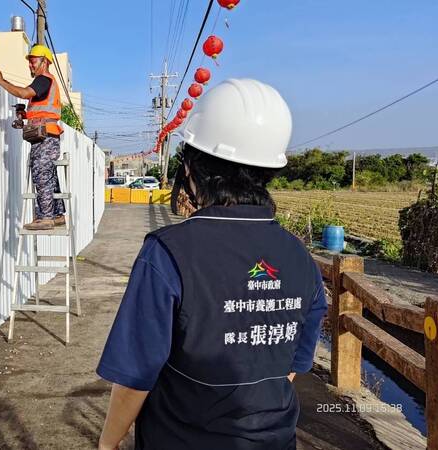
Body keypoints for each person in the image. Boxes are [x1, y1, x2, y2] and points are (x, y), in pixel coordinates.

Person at [96, 78, 328, 449]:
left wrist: (107, 443)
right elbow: (288, 369)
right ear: (268, 171)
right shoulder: (301, 258)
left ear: (191, 168)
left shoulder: (167, 252)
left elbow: (134, 379)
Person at [0, 44, 66, 231]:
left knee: (42, 174)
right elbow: (41, 112)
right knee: (49, 174)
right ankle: (58, 214)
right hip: (46, 135)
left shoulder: (43, 79)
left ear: (44, 62)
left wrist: (1, 81)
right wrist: (24, 115)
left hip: (46, 137)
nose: (30, 65)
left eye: (33, 61)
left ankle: (46, 218)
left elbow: (23, 93)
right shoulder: (44, 84)